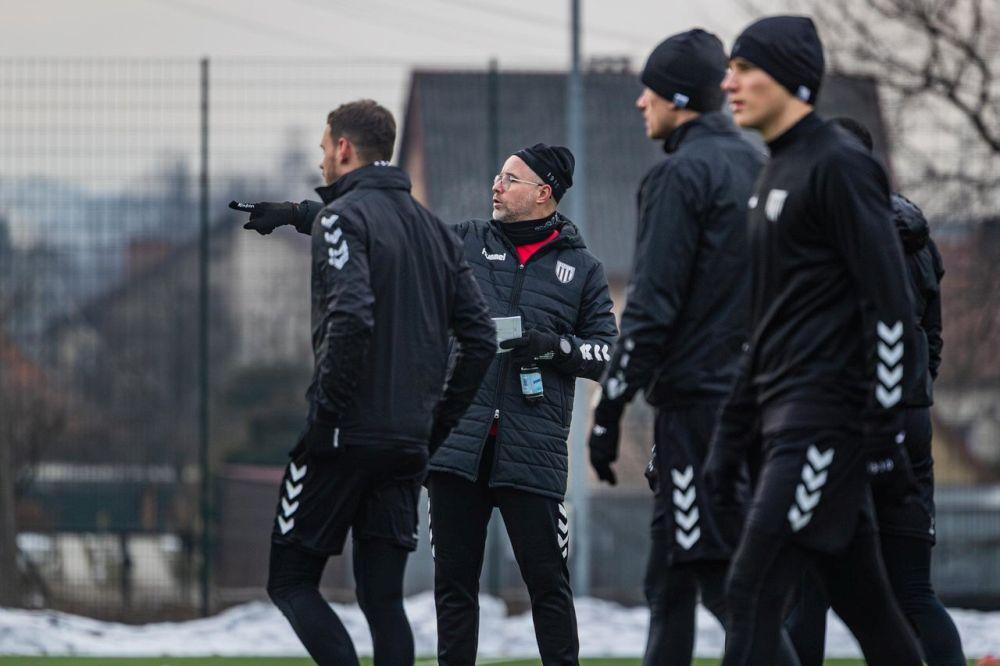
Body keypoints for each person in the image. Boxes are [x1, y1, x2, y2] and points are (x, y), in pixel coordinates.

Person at [232, 99, 496, 666]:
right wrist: (434, 430)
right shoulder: (436, 232)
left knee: (291, 581)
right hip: (407, 446)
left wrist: (326, 420)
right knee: (383, 600)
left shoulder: (341, 220)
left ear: (345, 149)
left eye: (325, 148)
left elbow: (351, 314)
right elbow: (480, 341)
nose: (322, 158)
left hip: (343, 437)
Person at [703, 15, 926, 665]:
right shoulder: (775, 172)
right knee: (867, 606)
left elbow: (890, 307)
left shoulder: (840, 164)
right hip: (784, 423)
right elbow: (769, 322)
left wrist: (883, 437)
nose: (730, 83)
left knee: (750, 587)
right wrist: (731, 435)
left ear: (792, 79)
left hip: (826, 426)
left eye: (745, 69)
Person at [585, 29, 798, 666]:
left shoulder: (679, 176)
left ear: (678, 98)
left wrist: (609, 409)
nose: (640, 103)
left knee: (719, 582)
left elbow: (650, 309)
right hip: (761, 402)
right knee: (670, 581)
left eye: (649, 90)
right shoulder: (763, 166)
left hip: (700, 410)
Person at [785, 117, 966, 666]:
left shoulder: (837, 226)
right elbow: (930, 334)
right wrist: (915, 389)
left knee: (807, 585)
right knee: (912, 589)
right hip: (909, 418)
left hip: (846, 420)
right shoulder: (918, 237)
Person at [428, 143, 618, 666]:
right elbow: (394, 237)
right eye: (497, 175)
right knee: (454, 589)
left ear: (543, 192)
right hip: (457, 449)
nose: (496, 185)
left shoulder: (583, 269)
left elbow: (607, 352)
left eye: (510, 178)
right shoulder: (463, 241)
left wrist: (554, 346)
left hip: (532, 452)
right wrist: (306, 216)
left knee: (548, 587)